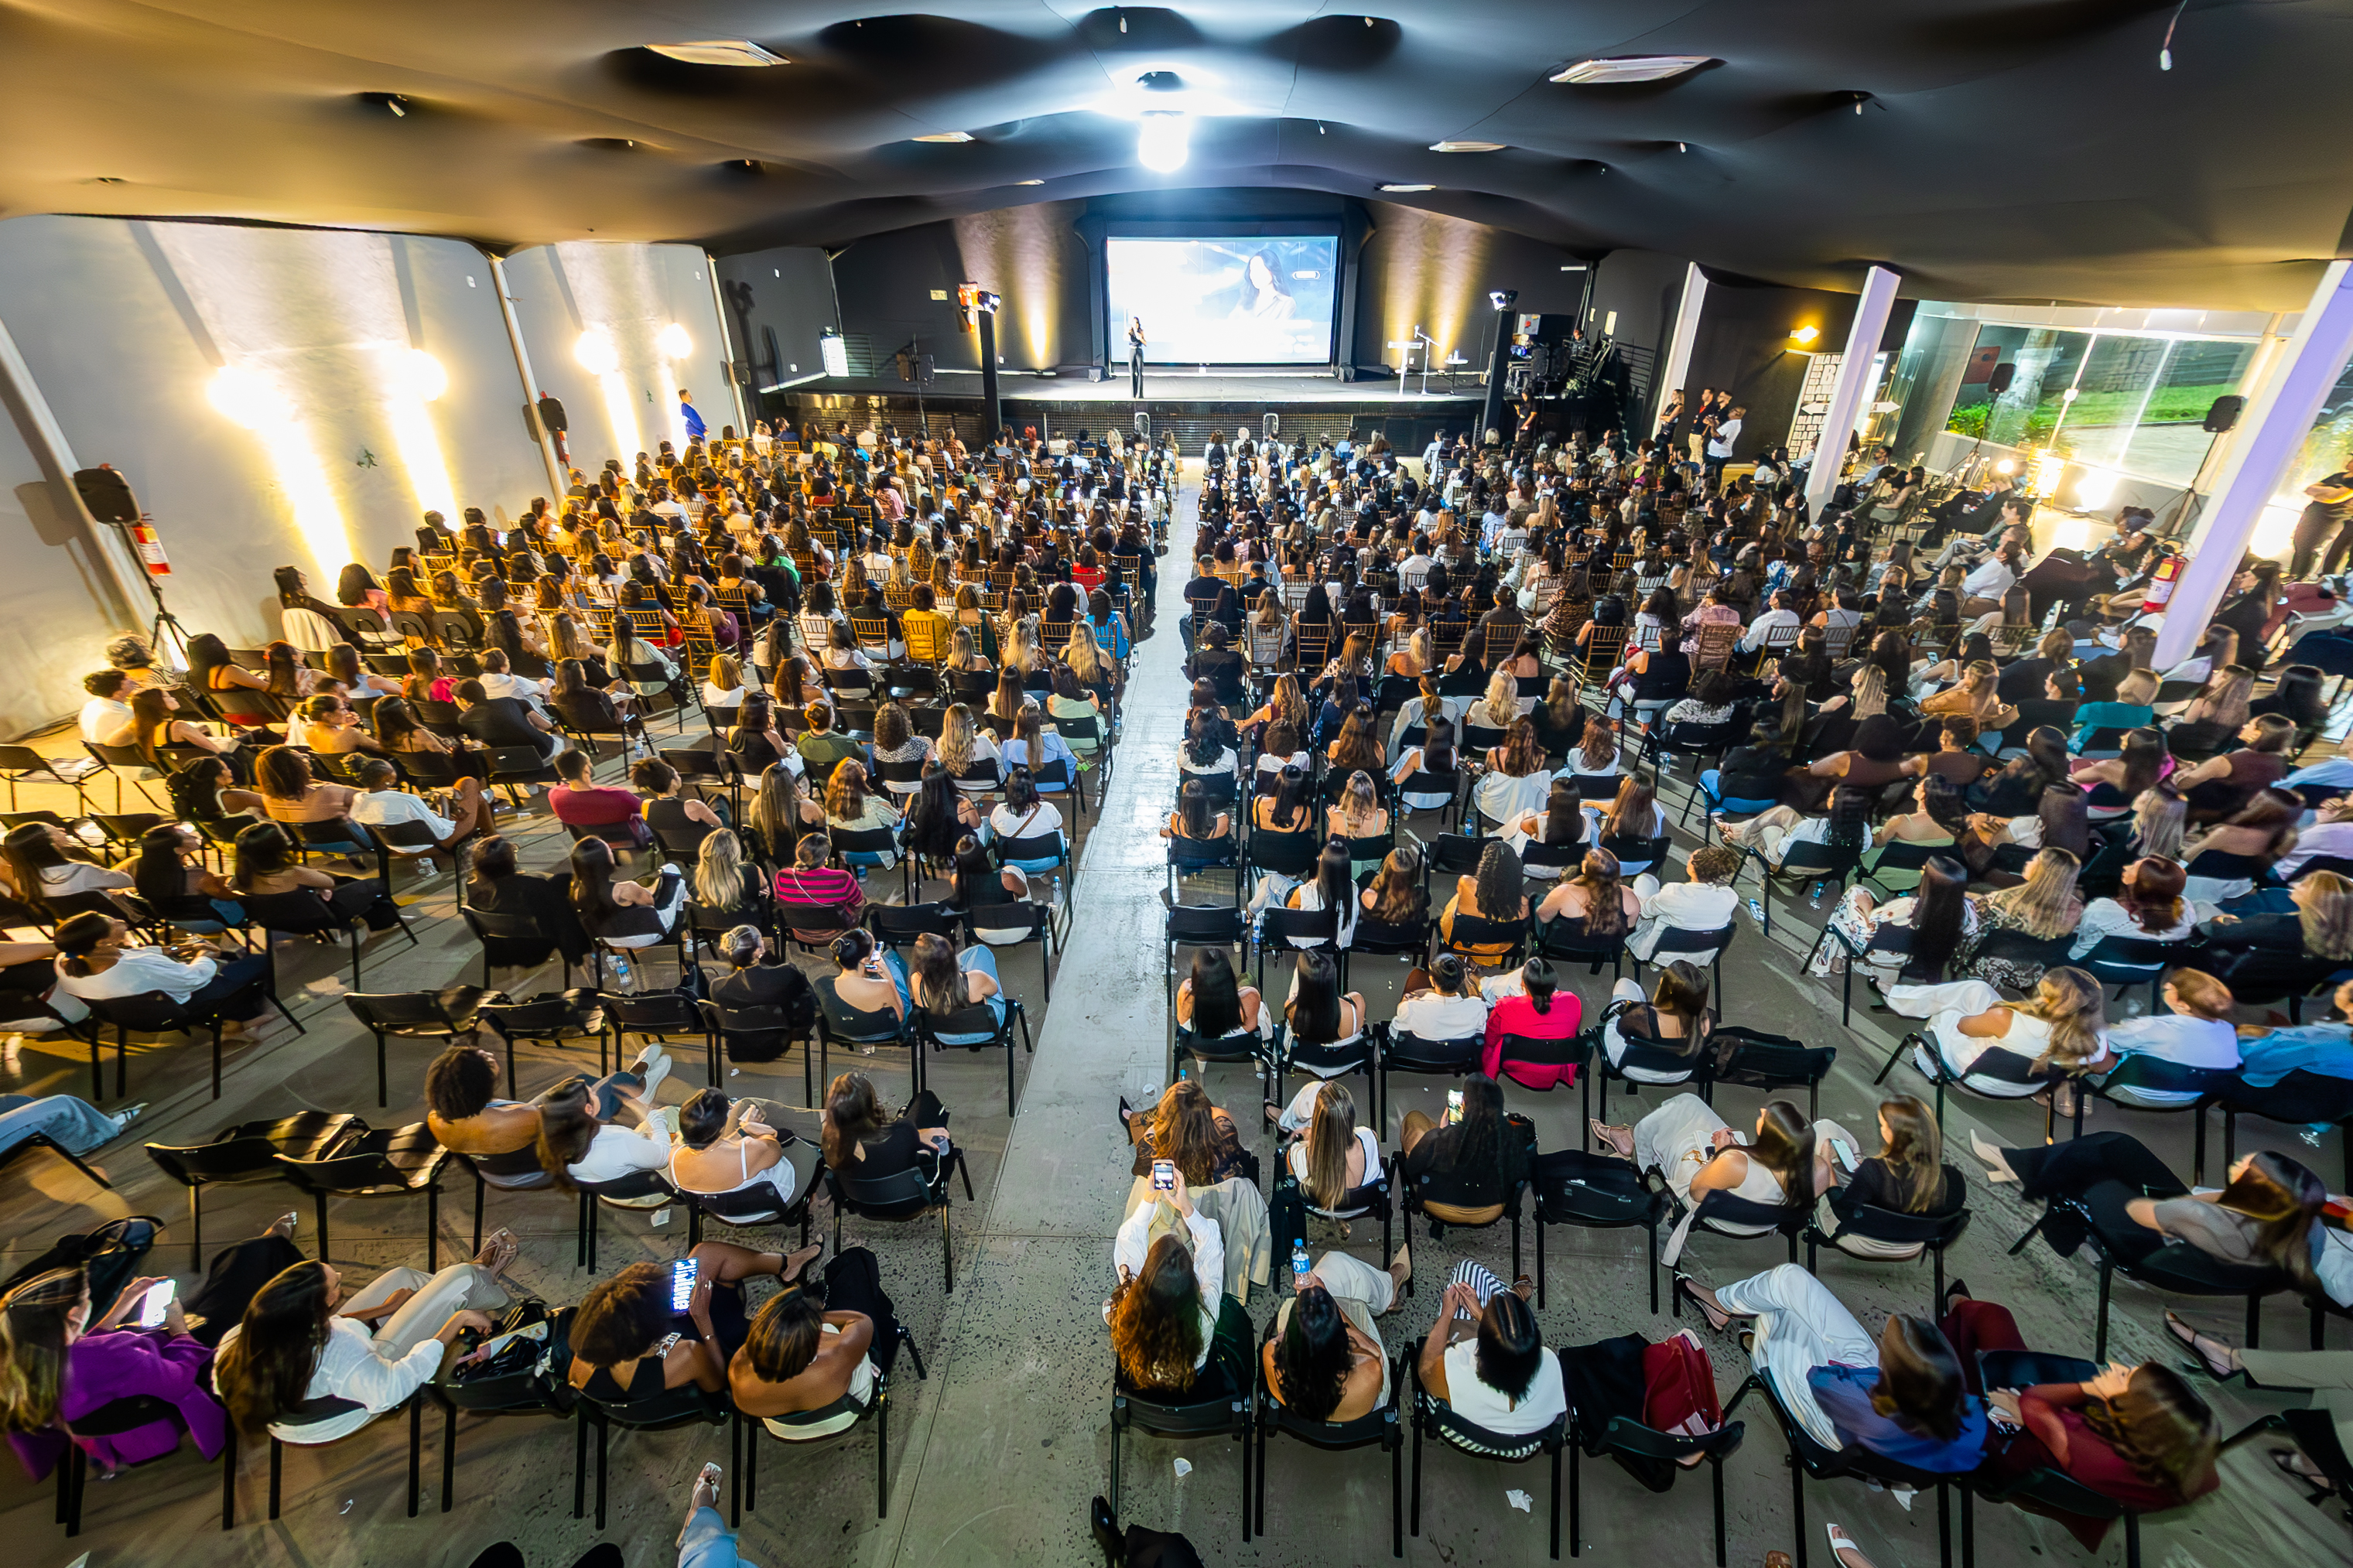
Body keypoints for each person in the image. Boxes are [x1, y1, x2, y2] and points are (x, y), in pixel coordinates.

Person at [210, 1235, 515, 1442]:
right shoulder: (341, 1346)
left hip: (306, 1407)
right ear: (325, 1302)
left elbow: (320, 1332)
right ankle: (477, 1283)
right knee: (460, 1277)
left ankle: (467, 1288)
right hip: (346, 1411)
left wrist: (386, 1309)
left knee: (401, 1278)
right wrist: (454, 1324)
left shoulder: (239, 1339)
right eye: (337, 1284)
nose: (341, 1284)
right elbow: (390, 1390)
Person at [1673, 1266, 1986, 1466]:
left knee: (1785, 1303)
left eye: (1885, 1349)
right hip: (1880, 1432)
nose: (1880, 1341)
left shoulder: (1857, 1400)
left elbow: (1818, 1379)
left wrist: (1840, 1356)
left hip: (1826, 1426)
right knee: (1791, 1301)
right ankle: (1744, 1324)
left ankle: (1732, 1316)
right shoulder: (1966, 1420)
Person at [1970, 1135, 2325, 1286]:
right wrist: (2228, 1199)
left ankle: (2020, 1167)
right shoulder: (2288, 1231)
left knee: (2094, 1168)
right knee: (2119, 1145)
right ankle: (2021, 1167)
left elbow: (2142, 1210)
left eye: (2246, 1169)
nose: (2238, 1163)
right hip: (2184, 1235)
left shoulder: (2206, 1219)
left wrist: (2209, 1200)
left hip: (2147, 1243)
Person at [1414, 1263, 1565, 1436]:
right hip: (1524, 1443)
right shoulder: (1550, 1364)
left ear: (1478, 1350)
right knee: (1503, 1304)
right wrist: (1481, 1314)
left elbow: (1426, 1369)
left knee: (1467, 1270)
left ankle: (1516, 1294)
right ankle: (1516, 1295)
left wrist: (1447, 1314)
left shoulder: (1457, 1376)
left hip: (1465, 1433)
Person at [670, 1088, 820, 1210]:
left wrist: (742, 1132)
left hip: (727, 1212)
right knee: (792, 1137)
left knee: (746, 1105)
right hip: (780, 1200)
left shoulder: (674, 1157)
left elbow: (716, 1153)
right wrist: (756, 1132)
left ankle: (820, 1120)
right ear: (722, 1129)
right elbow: (775, 1148)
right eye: (728, 1109)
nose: (730, 1109)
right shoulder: (749, 1150)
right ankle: (825, 1124)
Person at [1626, 843, 1740, 962]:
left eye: (1691, 858)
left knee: (1645, 880)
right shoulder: (1730, 897)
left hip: (1659, 952)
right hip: (1699, 955)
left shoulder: (1674, 892)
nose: (1689, 857)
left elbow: (1644, 913)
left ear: (1694, 868)